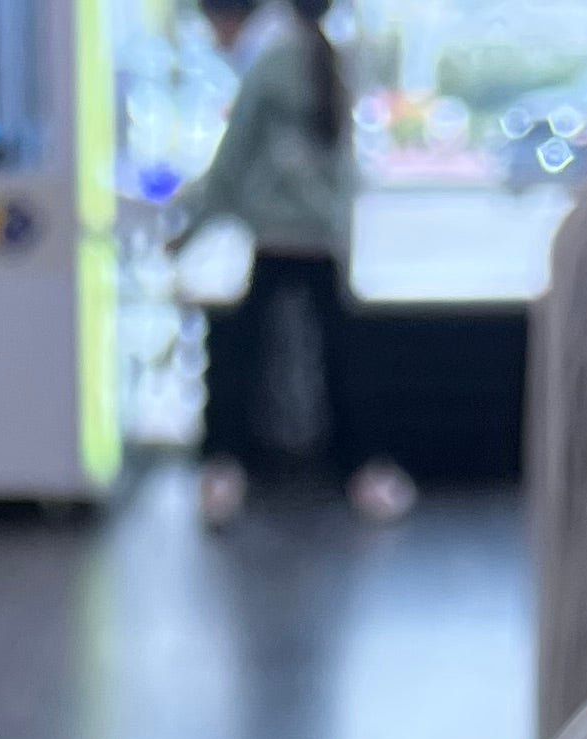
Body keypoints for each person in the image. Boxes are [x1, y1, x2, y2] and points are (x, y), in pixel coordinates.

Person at [170, 0, 413, 529]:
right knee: (343, 357)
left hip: (277, 237)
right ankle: (364, 470)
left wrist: (188, 231)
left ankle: (224, 470)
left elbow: (233, 160)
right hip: (323, 239)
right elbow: (345, 166)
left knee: (239, 354)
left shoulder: (272, 61)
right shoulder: (335, 59)